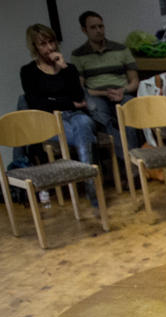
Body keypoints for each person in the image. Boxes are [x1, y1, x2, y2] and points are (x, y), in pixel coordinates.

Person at [20, 23, 99, 207]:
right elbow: (37, 103)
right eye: (43, 44)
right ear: (35, 47)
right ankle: (93, 189)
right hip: (48, 122)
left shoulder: (68, 69)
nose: (50, 48)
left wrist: (63, 69)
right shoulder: (28, 72)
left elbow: (79, 98)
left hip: (74, 116)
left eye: (51, 42)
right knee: (82, 132)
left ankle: (90, 186)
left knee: (84, 123)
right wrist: (68, 102)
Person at [71, 10, 141, 159]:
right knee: (101, 116)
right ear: (84, 30)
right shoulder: (78, 54)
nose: (98, 31)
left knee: (130, 111)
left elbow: (135, 81)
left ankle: (136, 157)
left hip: (122, 93)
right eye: (93, 27)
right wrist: (104, 93)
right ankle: (130, 160)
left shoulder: (121, 49)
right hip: (96, 95)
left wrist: (122, 90)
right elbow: (80, 88)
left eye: (101, 26)